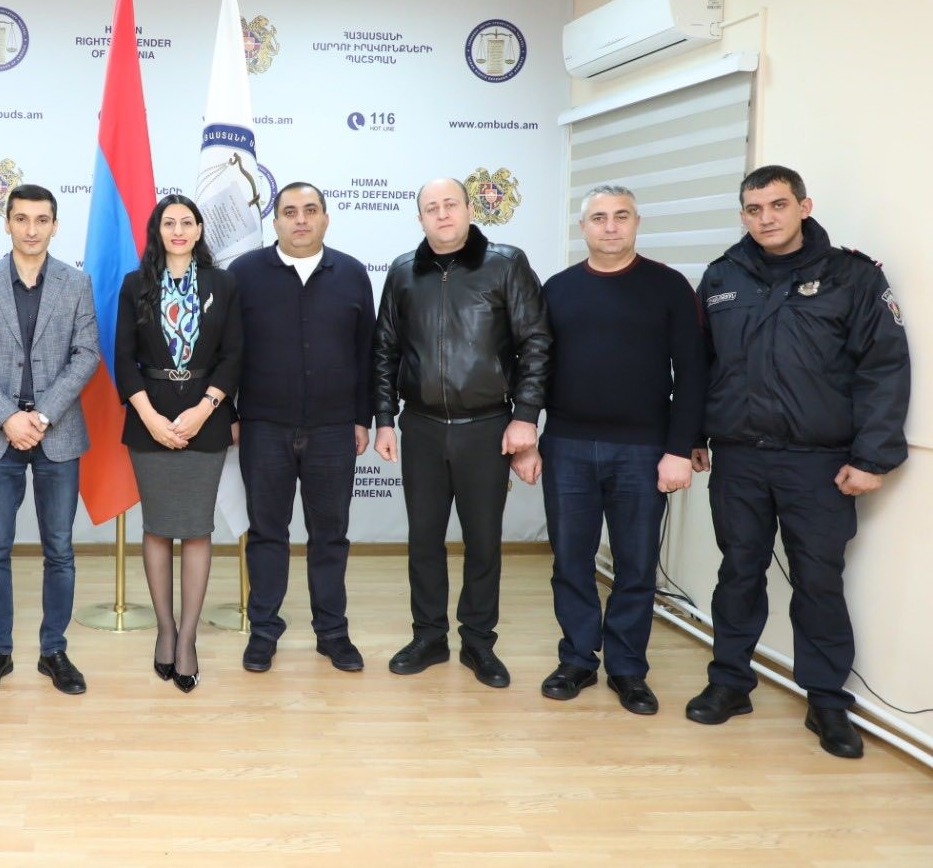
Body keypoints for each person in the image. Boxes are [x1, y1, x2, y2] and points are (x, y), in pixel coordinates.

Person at [685, 165, 909, 759]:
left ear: (804, 207)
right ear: (742, 215)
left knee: (818, 580)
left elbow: (884, 367)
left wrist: (873, 457)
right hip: (739, 458)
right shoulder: (722, 277)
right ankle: (730, 682)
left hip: (818, 463)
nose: (766, 218)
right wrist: (693, 434)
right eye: (754, 209)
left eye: (778, 205)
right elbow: (700, 364)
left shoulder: (852, 276)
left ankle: (827, 701)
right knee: (739, 572)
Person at [512, 185, 705, 715]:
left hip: (643, 451)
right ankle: (577, 659)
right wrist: (527, 438)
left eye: (621, 216)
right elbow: (533, 369)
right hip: (566, 446)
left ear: (637, 222)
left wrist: (680, 448)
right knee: (571, 562)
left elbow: (693, 372)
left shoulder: (668, 286)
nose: (611, 226)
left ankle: (627, 669)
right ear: (584, 228)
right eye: (599, 218)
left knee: (636, 566)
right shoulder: (558, 289)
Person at [373, 177, 550, 688]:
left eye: (451, 204)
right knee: (424, 540)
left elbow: (535, 342)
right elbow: (384, 350)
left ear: (470, 209)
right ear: (420, 218)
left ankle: (478, 642)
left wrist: (526, 416)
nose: (442, 214)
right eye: (431, 207)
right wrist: (384, 418)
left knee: (483, 541)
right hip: (422, 426)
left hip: (487, 427)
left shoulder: (505, 264)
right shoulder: (403, 272)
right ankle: (429, 636)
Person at [0, 185, 99, 696]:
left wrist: (42, 415)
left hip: (58, 434)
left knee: (59, 549)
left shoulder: (76, 283)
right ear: (7, 224)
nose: (31, 229)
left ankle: (53, 650)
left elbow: (87, 353)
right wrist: (8, 417)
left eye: (41, 220)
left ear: (55, 225)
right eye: (21, 219)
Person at [229, 183, 373, 675]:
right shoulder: (245, 273)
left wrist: (362, 417)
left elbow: (367, 352)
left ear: (326, 218)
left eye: (310, 210)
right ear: (275, 223)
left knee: (330, 535)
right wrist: (230, 416)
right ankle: (263, 632)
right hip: (263, 427)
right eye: (289, 212)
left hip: (334, 429)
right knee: (267, 534)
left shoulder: (352, 273)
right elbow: (228, 352)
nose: (301, 220)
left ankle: (332, 633)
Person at [115, 194, 242, 693]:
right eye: (169, 223)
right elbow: (123, 358)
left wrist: (204, 408)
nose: (179, 230)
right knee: (158, 526)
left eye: (187, 222)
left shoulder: (222, 284)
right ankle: (164, 631)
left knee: (194, 528)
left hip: (206, 418)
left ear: (199, 228)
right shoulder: (136, 284)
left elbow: (234, 355)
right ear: (158, 230)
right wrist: (149, 416)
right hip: (149, 418)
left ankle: (187, 639)